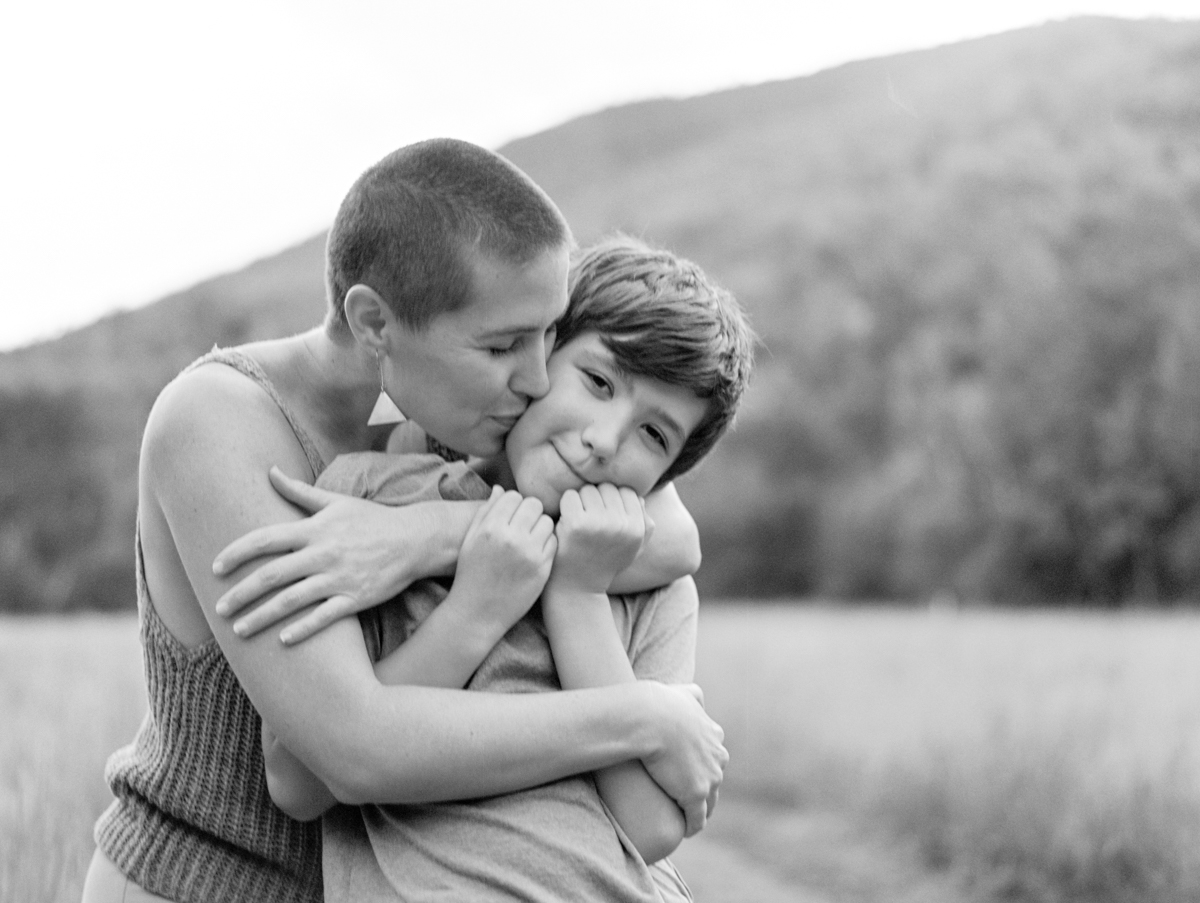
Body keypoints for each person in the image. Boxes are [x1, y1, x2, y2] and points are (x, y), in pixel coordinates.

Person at [83, 139, 727, 903]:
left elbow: (672, 532)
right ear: (376, 324)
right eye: (503, 345)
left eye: (549, 335)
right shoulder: (219, 422)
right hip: (206, 884)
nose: (535, 375)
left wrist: (430, 536)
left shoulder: (446, 416)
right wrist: (642, 716)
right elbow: (350, 752)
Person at [258, 236, 755, 902]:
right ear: (539, 354)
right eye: (599, 382)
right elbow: (300, 778)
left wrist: (576, 591)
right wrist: (476, 608)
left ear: (669, 474)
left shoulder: (655, 584)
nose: (605, 440)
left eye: (654, 435)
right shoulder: (373, 501)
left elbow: (651, 823)